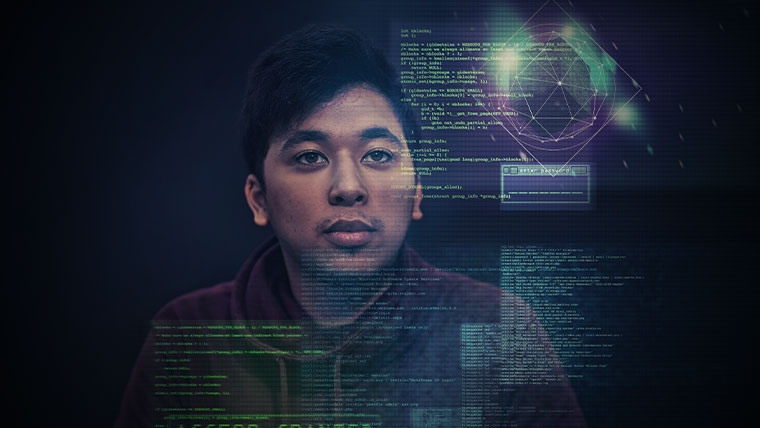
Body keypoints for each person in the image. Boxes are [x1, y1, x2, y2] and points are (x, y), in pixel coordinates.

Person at [114, 24, 586, 428]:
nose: (347, 186)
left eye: (378, 155)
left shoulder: (497, 329)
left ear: (417, 192)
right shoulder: (188, 338)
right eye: (309, 157)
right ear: (259, 200)